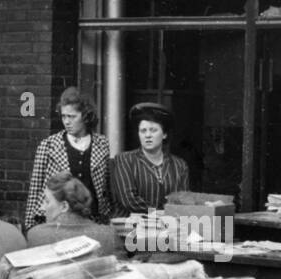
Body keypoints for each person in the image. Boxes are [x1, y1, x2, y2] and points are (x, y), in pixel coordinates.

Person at [24, 87, 113, 229]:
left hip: (92, 219)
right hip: (58, 221)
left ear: (85, 116)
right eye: (63, 116)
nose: (66, 122)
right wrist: (30, 226)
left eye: (71, 117)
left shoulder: (102, 144)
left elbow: (106, 188)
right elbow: (35, 189)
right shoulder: (49, 145)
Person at [110, 103, 190, 215]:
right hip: (132, 228)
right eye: (143, 131)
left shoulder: (179, 165)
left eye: (153, 130)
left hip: (168, 227)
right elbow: (129, 200)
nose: (147, 135)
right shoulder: (125, 160)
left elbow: (183, 201)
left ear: (164, 134)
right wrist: (159, 213)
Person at [27, 171, 122, 253]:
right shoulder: (109, 235)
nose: (41, 207)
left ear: (64, 206)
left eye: (47, 201)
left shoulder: (35, 235)